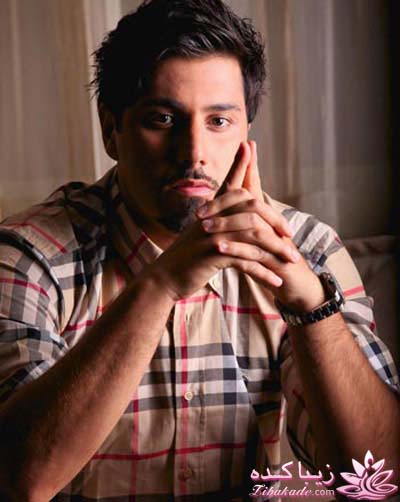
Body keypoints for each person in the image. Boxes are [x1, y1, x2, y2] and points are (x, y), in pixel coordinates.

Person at [0, 0, 398, 500]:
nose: (193, 153)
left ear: (246, 134)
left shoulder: (309, 250)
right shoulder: (29, 256)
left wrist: (312, 309)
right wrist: (163, 283)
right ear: (111, 130)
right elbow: (18, 480)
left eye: (219, 121)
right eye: (163, 119)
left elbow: (376, 480)